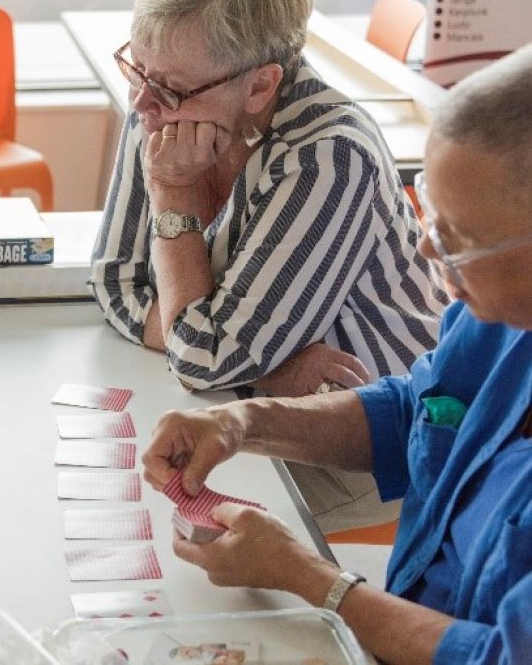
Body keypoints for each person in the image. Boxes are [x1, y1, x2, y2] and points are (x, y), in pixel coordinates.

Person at [142, 44, 532, 665]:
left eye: (460, 240)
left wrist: (309, 578)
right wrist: (242, 422)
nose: (429, 253)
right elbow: (416, 413)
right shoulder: (499, 317)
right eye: (429, 213)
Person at [87, 0, 446, 532]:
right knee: (118, 483)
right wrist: (263, 371)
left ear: (259, 85)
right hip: (252, 408)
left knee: (151, 514)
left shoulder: (327, 157)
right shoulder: (166, 101)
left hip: (368, 446)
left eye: (168, 87)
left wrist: (174, 200)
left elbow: (202, 361)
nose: (143, 104)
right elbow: (115, 282)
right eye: (136, 69)